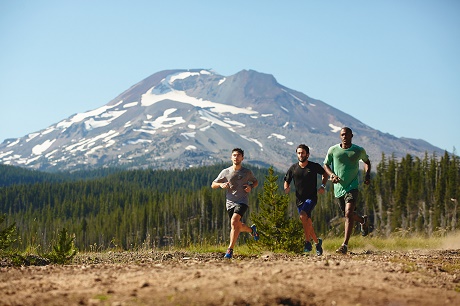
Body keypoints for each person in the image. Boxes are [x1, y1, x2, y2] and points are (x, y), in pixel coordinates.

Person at [323, 127, 371, 254]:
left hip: (352, 187)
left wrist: (367, 175)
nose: (344, 136)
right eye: (342, 135)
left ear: (351, 136)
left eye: (346, 134)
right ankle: (362, 221)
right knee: (347, 214)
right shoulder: (333, 150)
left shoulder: (358, 150)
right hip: (338, 188)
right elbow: (326, 165)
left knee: (348, 213)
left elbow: (367, 162)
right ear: (340, 136)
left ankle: (344, 245)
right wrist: (332, 175)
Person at [211, 148, 259, 259]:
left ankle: (230, 250)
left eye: (238, 155)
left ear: (242, 158)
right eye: (234, 155)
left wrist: (250, 186)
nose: (236, 157)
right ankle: (252, 230)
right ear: (231, 157)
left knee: (234, 221)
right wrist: (220, 185)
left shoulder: (247, 172)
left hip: (242, 201)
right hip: (230, 203)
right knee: (236, 226)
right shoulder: (225, 172)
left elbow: (255, 181)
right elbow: (213, 184)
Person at [284, 144, 329, 256]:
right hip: (299, 200)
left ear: (307, 155)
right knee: (307, 222)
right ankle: (317, 243)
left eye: (302, 153)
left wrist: (323, 186)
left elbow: (325, 174)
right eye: (298, 153)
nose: (300, 155)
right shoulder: (293, 168)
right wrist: (286, 187)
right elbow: (286, 180)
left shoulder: (313, 166)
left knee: (303, 215)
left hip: (311, 198)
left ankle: (307, 242)